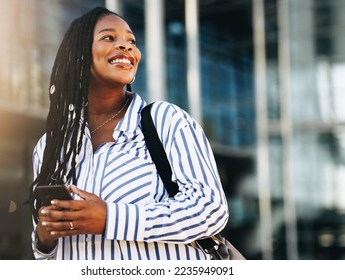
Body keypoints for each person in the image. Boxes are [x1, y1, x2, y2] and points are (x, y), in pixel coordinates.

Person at [29, 6, 229, 260]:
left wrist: (111, 218)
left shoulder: (166, 121)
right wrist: (45, 240)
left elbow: (210, 210)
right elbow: (45, 259)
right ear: (78, 55)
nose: (126, 47)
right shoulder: (50, 146)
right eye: (109, 38)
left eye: (131, 41)